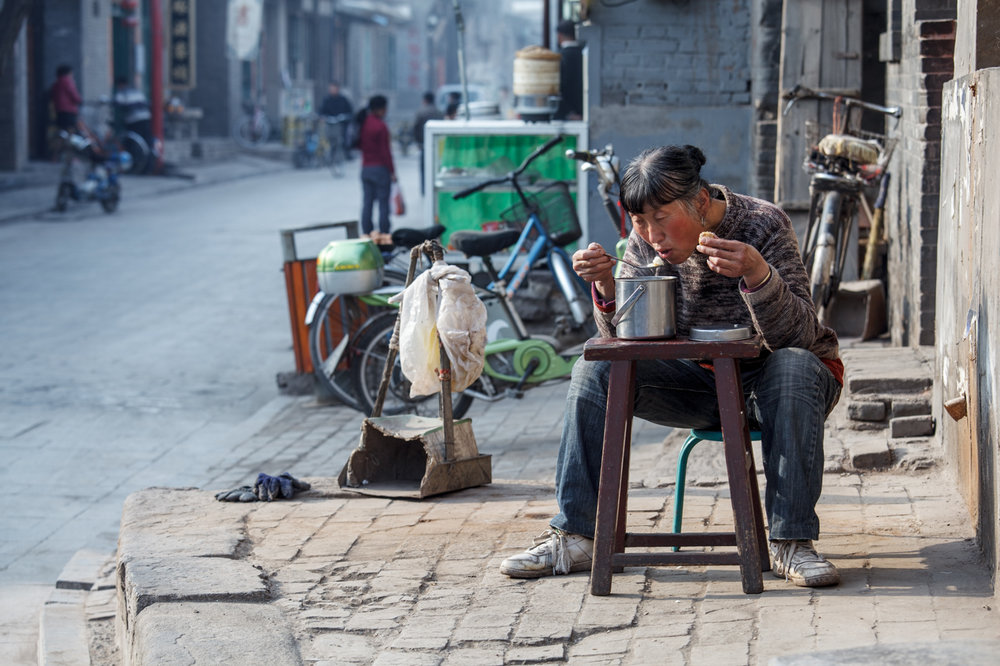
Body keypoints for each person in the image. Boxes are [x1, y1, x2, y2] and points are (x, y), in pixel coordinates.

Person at [499, 145, 844, 588]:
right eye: (639, 222)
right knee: (594, 370)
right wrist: (607, 286)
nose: (651, 234)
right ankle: (577, 535)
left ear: (699, 201)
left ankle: (791, 542)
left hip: (780, 384)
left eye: (661, 218)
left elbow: (797, 338)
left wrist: (759, 274)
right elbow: (626, 341)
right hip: (700, 383)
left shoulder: (764, 224)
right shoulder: (644, 241)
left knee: (793, 364)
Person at [356, 95, 396, 236]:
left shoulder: (363, 123)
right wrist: (392, 171)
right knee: (383, 203)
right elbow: (385, 152)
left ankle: (367, 233)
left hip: (366, 169)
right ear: (380, 109)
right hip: (380, 170)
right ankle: (384, 234)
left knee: (367, 203)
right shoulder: (380, 126)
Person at [412, 91, 443, 196]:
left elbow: (415, 128)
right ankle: (435, 189)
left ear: (425, 100)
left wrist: (417, 142)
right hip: (437, 146)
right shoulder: (439, 112)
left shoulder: (420, 112)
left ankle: (425, 191)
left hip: (423, 145)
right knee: (436, 168)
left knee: (424, 169)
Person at [553, 19, 584, 121]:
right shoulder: (586, 55)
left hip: (567, 116)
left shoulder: (558, 58)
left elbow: (557, 89)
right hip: (586, 112)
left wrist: (568, 112)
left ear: (559, 36)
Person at [113, 77, 153, 152]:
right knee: (146, 138)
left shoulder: (122, 93)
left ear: (120, 85)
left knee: (132, 139)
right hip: (146, 118)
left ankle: (133, 154)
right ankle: (150, 153)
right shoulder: (137, 92)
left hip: (134, 120)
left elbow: (116, 102)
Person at [319, 81, 354, 158]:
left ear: (338, 89)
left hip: (341, 124)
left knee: (344, 138)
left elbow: (350, 111)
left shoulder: (343, 100)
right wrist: (323, 117)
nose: (333, 91)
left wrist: (344, 117)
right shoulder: (327, 100)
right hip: (329, 124)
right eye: (331, 89)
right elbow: (322, 111)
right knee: (327, 138)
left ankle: (346, 151)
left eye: (334, 89)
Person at [50, 64, 83, 131]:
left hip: (59, 111)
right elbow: (74, 96)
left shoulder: (56, 84)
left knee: (63, 130)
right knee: (71, 131)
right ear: (68, 73)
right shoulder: (68, 82)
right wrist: (80, 100)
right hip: (69, 111)